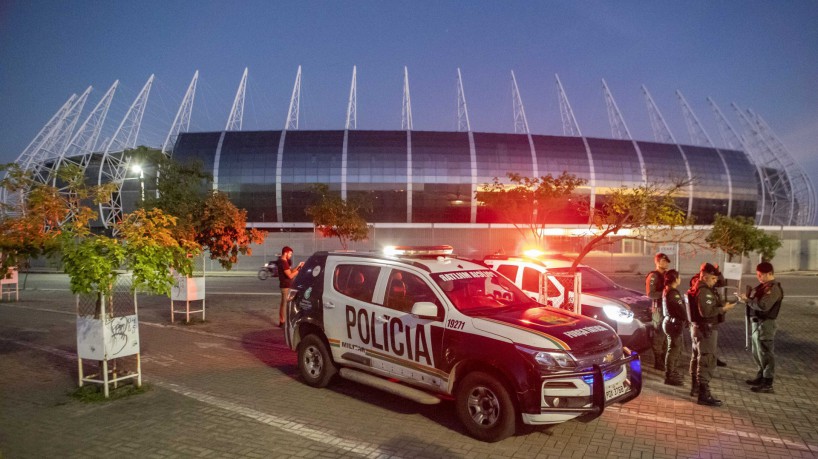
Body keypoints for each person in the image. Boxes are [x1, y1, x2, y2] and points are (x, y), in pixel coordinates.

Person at [689, 263, 737, 406]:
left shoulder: (700, 287)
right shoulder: (704, 291)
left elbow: (721, 282)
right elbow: (707, 312)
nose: (716, 281)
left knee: (698, 358)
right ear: (704, 277)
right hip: (706, 330)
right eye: (713, 278)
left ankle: (696, 388)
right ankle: (703, 394)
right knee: (707, 360)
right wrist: (723, 309)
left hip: (699, 329)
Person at [739, 262, 784, 394]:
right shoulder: (763, 286)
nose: (758, 277)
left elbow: (764, 306)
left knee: (766, 353)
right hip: (757, 323)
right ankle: (761, 376)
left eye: (760, 275)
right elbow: (755, 299)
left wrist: (747, 301)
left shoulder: (773, 289)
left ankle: (768, 382)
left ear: (769, 273)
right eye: (758, 274)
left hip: (766, 324)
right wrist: (747, 298)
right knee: (757, 352)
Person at [661, 269, 687, 386]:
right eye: (679, 277)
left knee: (673, 349)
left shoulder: (667, 290)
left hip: (670, 322)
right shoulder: (673, 293)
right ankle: (670, 375)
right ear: (675, 279)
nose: (680, 279)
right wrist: (687, 318)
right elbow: (681, 310)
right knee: (673, 350)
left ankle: (672, 373)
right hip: (673, 324)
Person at [645, 252, 671, 370]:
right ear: (657, 262)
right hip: (658, 308)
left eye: (667, 262)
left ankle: (664, 358)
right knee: (658, 334)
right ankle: (658, 360)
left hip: (666, 308)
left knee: (665, 334)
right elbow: (651, 294)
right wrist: (665, 293)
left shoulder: (666, 275)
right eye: (663, 261)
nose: (666, 263)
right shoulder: (654, 276)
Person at [276, 246, 304, 328]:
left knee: (286, 304)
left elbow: (290, 271)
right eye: (290, 254)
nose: (291, 255)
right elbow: (290, 276)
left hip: (287, 286)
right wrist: (299, 270)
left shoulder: (285, 261)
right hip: (285, 286)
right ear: (286, 253)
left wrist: (298, 266)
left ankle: (284, 321)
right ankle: (282, 322)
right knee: (284, 304)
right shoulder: (283, 262)